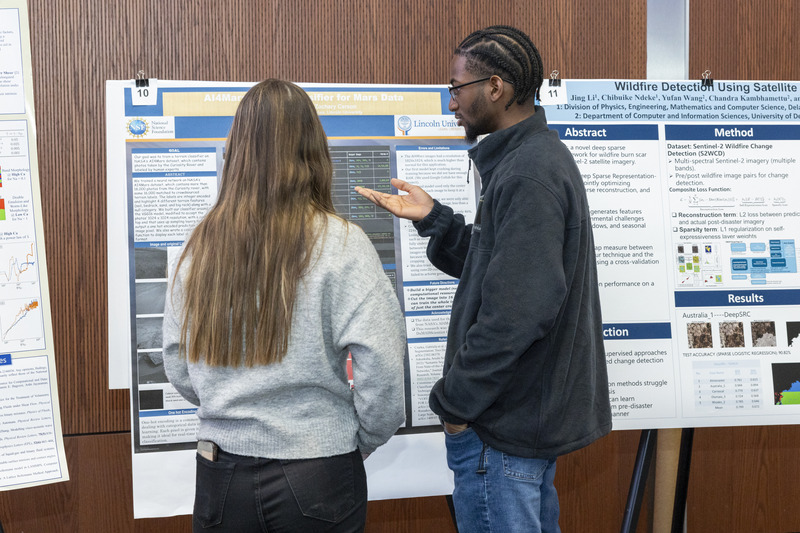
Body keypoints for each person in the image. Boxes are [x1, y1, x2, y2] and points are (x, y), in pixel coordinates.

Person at [356, 26, 611, 533]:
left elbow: (517, 311)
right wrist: (436, 220)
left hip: (503, 429)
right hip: (516, 425)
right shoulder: (529, 160)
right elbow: (501, 269)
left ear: (496, 88)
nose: (452, 103)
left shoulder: (527, 173)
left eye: (457, 87)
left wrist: (455, 405)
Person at [162, 79, 406, 533]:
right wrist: (357, 439)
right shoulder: (344, 244)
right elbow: (385, 369)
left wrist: (230, 406)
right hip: (320, 471)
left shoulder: (195, 248)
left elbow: (178, 363)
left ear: (235, 151)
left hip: (221, 474)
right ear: (314, 150)